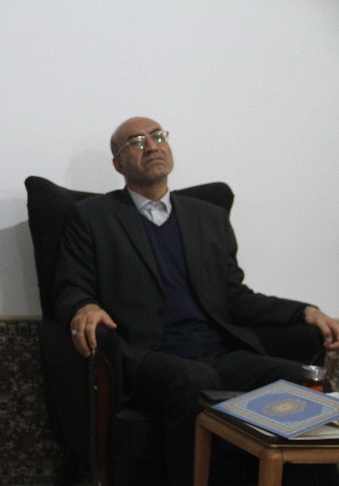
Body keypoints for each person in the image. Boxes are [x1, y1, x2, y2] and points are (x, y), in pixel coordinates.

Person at [53, 116, 339, 486]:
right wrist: (85, 306)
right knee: (195, 379)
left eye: (158, 136)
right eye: (136, 141)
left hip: (218, 353)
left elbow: (236, 297)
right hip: (147, 355)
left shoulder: (209, 217)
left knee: (302, 381)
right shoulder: (93, 217)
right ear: (118, 164)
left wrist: (305, 311)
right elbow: (70, 287)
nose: (152, 146)